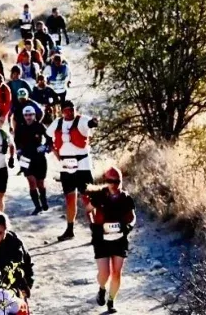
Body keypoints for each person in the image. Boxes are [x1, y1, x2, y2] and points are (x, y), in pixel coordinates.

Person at [48, 100, 99, 241]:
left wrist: (94, 122)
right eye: (66, 110)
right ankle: (70, 230)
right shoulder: (58, 123)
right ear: (62, 111)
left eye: (72, 109)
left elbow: (90, 124)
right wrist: (54, 150)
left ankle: (95, 231)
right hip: (66, 165)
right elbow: (47, 136)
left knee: (87, 198)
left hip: (82, 165)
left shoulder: (82, 120)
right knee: (70, 199)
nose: (70, 112)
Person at [88, 166, 135, 313]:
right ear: (105, 181)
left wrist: (129, 227)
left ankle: (111, 300)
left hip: (119, 239)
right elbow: (89, 210)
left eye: (117, 181)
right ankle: (102, 289)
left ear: (121, 181)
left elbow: (132, 217)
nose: (114, 184)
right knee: (104, 273)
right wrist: (93, 226)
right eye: (110, 181)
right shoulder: (99, 195)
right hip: (101, 239)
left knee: (116, 272)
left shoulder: (126, 198)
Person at [15, 103, 51, 214]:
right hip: (25, 158)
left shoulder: (39, 126)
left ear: (34, 115)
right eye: (26, 115)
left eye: (30, 115)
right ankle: (37, 206)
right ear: (23, 116)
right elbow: (16, 141)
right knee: (31, 182)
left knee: (40, 183)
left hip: (39, 157)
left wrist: (45, 147)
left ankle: (43, 200)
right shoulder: (20, 127)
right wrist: (19, 151)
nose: (28, 117)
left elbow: (49, 138)